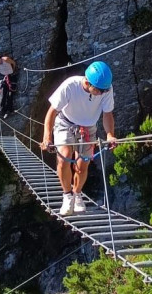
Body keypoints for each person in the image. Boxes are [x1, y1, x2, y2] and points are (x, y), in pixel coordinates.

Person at [40, 61, 118, 216]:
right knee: (64, 158)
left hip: (88, 128)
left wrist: (109, 134)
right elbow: (52, 112)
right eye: (99, 91)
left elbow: (107, 113)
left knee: (82, 166)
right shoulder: (70, 85)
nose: (102, 93)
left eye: (104, 90)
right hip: (65, 123)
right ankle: (67, 195)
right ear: (87, 83)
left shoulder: (105, 88)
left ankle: (77, 194)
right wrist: (47, 137)